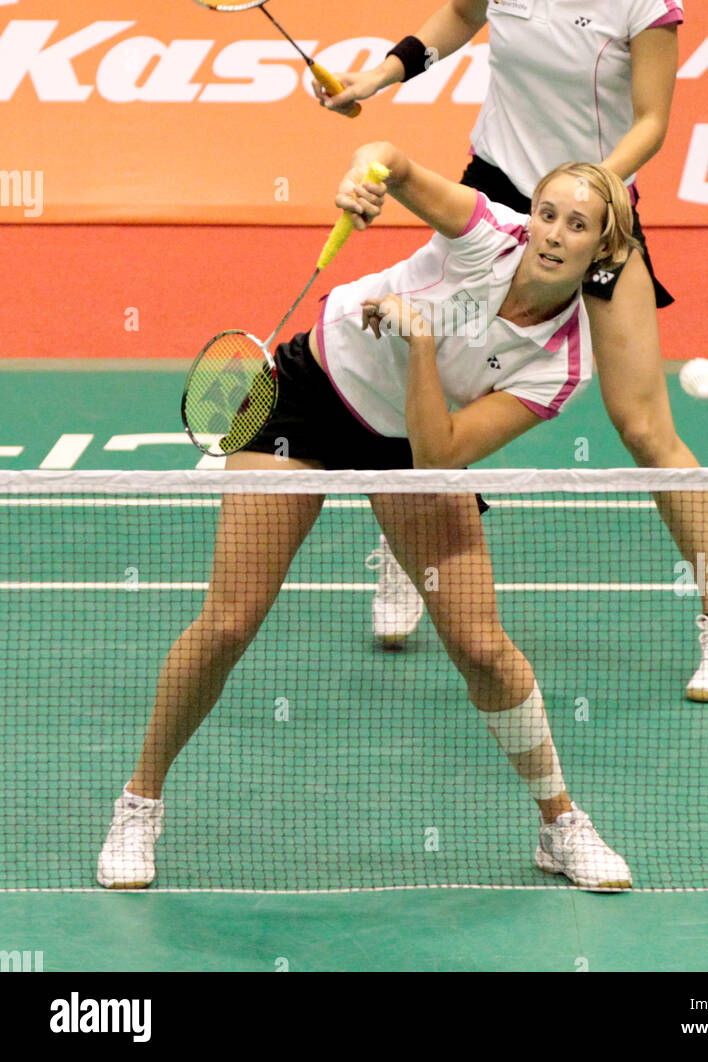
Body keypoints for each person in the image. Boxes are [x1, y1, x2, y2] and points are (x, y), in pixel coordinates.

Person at [313, 0, 708, 703]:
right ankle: (411, 549)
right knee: (440, 375)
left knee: (643, 426)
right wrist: (379, 75)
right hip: (494, 193)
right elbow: (455, 16)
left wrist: (589, 196)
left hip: (590, 215)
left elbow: (652, 124)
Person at [98, 142, 638, 893]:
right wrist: (365, 176)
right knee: (228, 622)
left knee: (481, 645)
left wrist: (420, 340)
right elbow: (396, 163)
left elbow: (439, 450)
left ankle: (560, 824)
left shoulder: (564, 362)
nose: (551, 233)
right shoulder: (485, 230)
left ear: (604, 248)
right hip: (312, 393)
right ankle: (138, 804)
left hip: (411, 442)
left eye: (576, 226)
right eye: (547, 212)